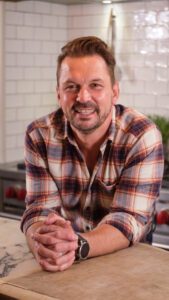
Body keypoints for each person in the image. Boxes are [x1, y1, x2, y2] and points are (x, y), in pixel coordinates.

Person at [21, 36, 164, 272]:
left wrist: (76, 245)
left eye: (95, 85)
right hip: (66, 259)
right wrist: (41, 242)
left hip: (129, 261)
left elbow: (128, 218)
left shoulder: (142, 135)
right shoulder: (39, 135)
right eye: (71, 86)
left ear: (115, 92)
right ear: (58, 93)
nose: (83, 98)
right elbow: (39, 209)